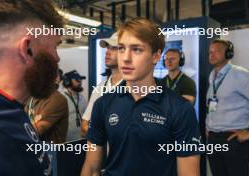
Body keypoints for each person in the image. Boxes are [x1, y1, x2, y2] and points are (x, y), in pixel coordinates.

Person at [81, 18, 201, 176]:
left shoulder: (180, 109)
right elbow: (91, 167)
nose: (125, 58)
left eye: (136, 49)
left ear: (156, 56)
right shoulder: (103, 104)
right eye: (122, 49)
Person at [0, 0, 64, 175]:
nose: (57, 59)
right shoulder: (1, 131)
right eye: (55, 47)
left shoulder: (11, 111)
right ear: (27, 49)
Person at [206, 39, 249, 176]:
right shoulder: (212, 76)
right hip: (213, 139)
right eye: (210, 52)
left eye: (216, 51)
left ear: (229, 53)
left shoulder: (239, 74)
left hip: (234, 139)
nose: (212, 55)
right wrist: (209, 127)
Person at [81, 32, 123, 136]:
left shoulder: (135, 88)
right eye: (107, 48)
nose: (107, 52)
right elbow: (84, 125)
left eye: (114, 48)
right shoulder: (100, 88)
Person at [25, 72, 69, 143]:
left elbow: (35, 130)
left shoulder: (57, 99)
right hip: (31, 149)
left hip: (50, 152)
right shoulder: (30, 97)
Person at [62, 70, 87, 141]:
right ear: (67, 81)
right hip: (66, 142)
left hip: (81, 140)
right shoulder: (61, 98)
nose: (80, 82)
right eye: (77, 79)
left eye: (80, 79)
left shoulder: (82, 98)